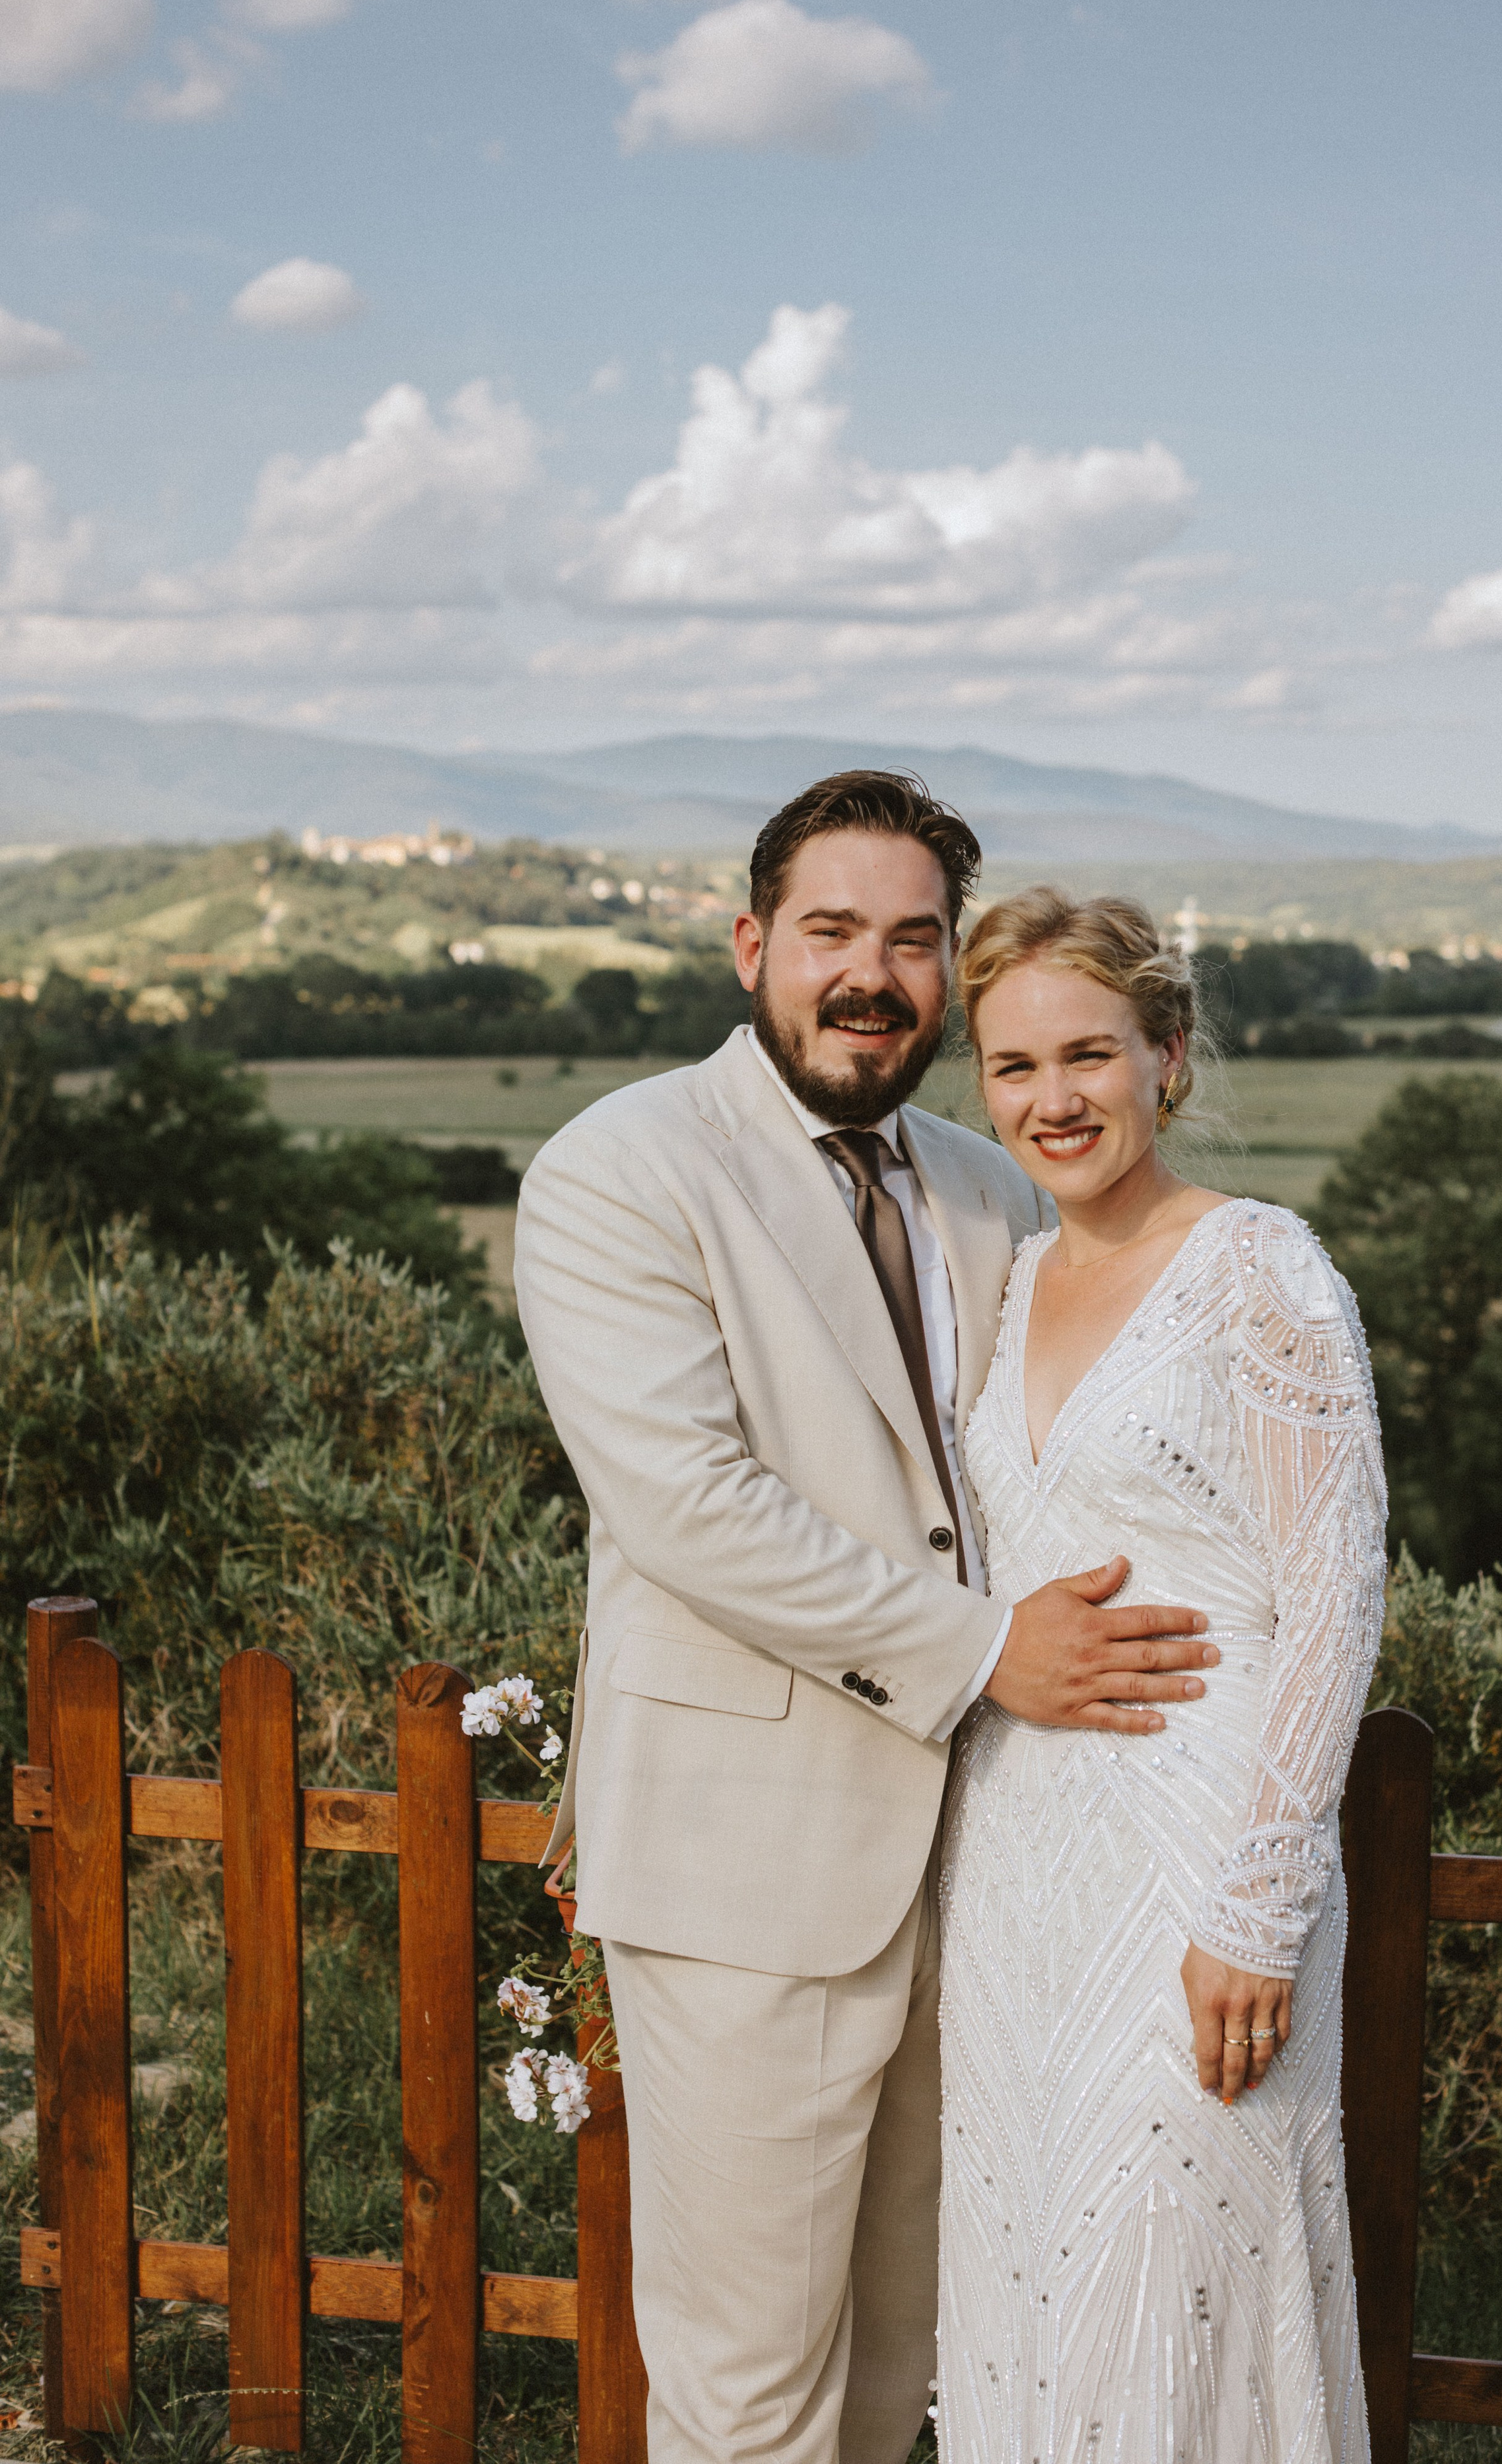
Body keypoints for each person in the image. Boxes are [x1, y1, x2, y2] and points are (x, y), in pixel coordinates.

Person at [514, 774, 1218, 2464]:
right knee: (749, 2390)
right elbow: (690, 1509)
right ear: (753, 944)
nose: (871, 975)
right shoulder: (620, 1171)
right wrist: (987, 1652)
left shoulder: (981, 1184)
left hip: (979, 1875)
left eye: (913, 941)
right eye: (831, 932)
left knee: (905, 2366)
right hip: (751, 1875)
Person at [938, 887, 1386, 2464]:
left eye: (1087, 1055)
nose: (1051, 1100)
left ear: (1165, 1057)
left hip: (1198, 1874)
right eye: (1009, 1068)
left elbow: (1334, 1599)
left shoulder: (1259, 1269)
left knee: (1178, 2272)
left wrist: (1256, 1907)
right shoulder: (1007, 1285)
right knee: (1026, 2279)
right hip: (1011, 1874)